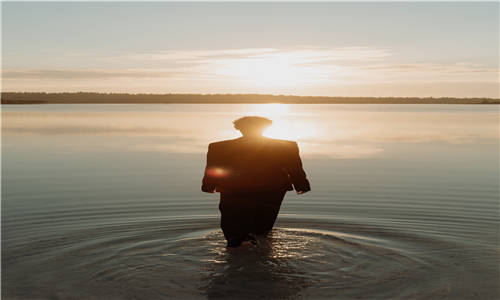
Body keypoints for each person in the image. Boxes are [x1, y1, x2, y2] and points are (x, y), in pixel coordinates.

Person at [202, 116, 310, 248]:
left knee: (233, 220)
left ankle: (238, 246)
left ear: (239, 128)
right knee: (263, 223)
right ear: (266, 128)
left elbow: (213, 169)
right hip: (272, 189)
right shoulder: (287, 146)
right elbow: (295, 168)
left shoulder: (218, 147)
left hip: (234, 189)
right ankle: (259, 250)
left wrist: (209, 186)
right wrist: (301, 185)